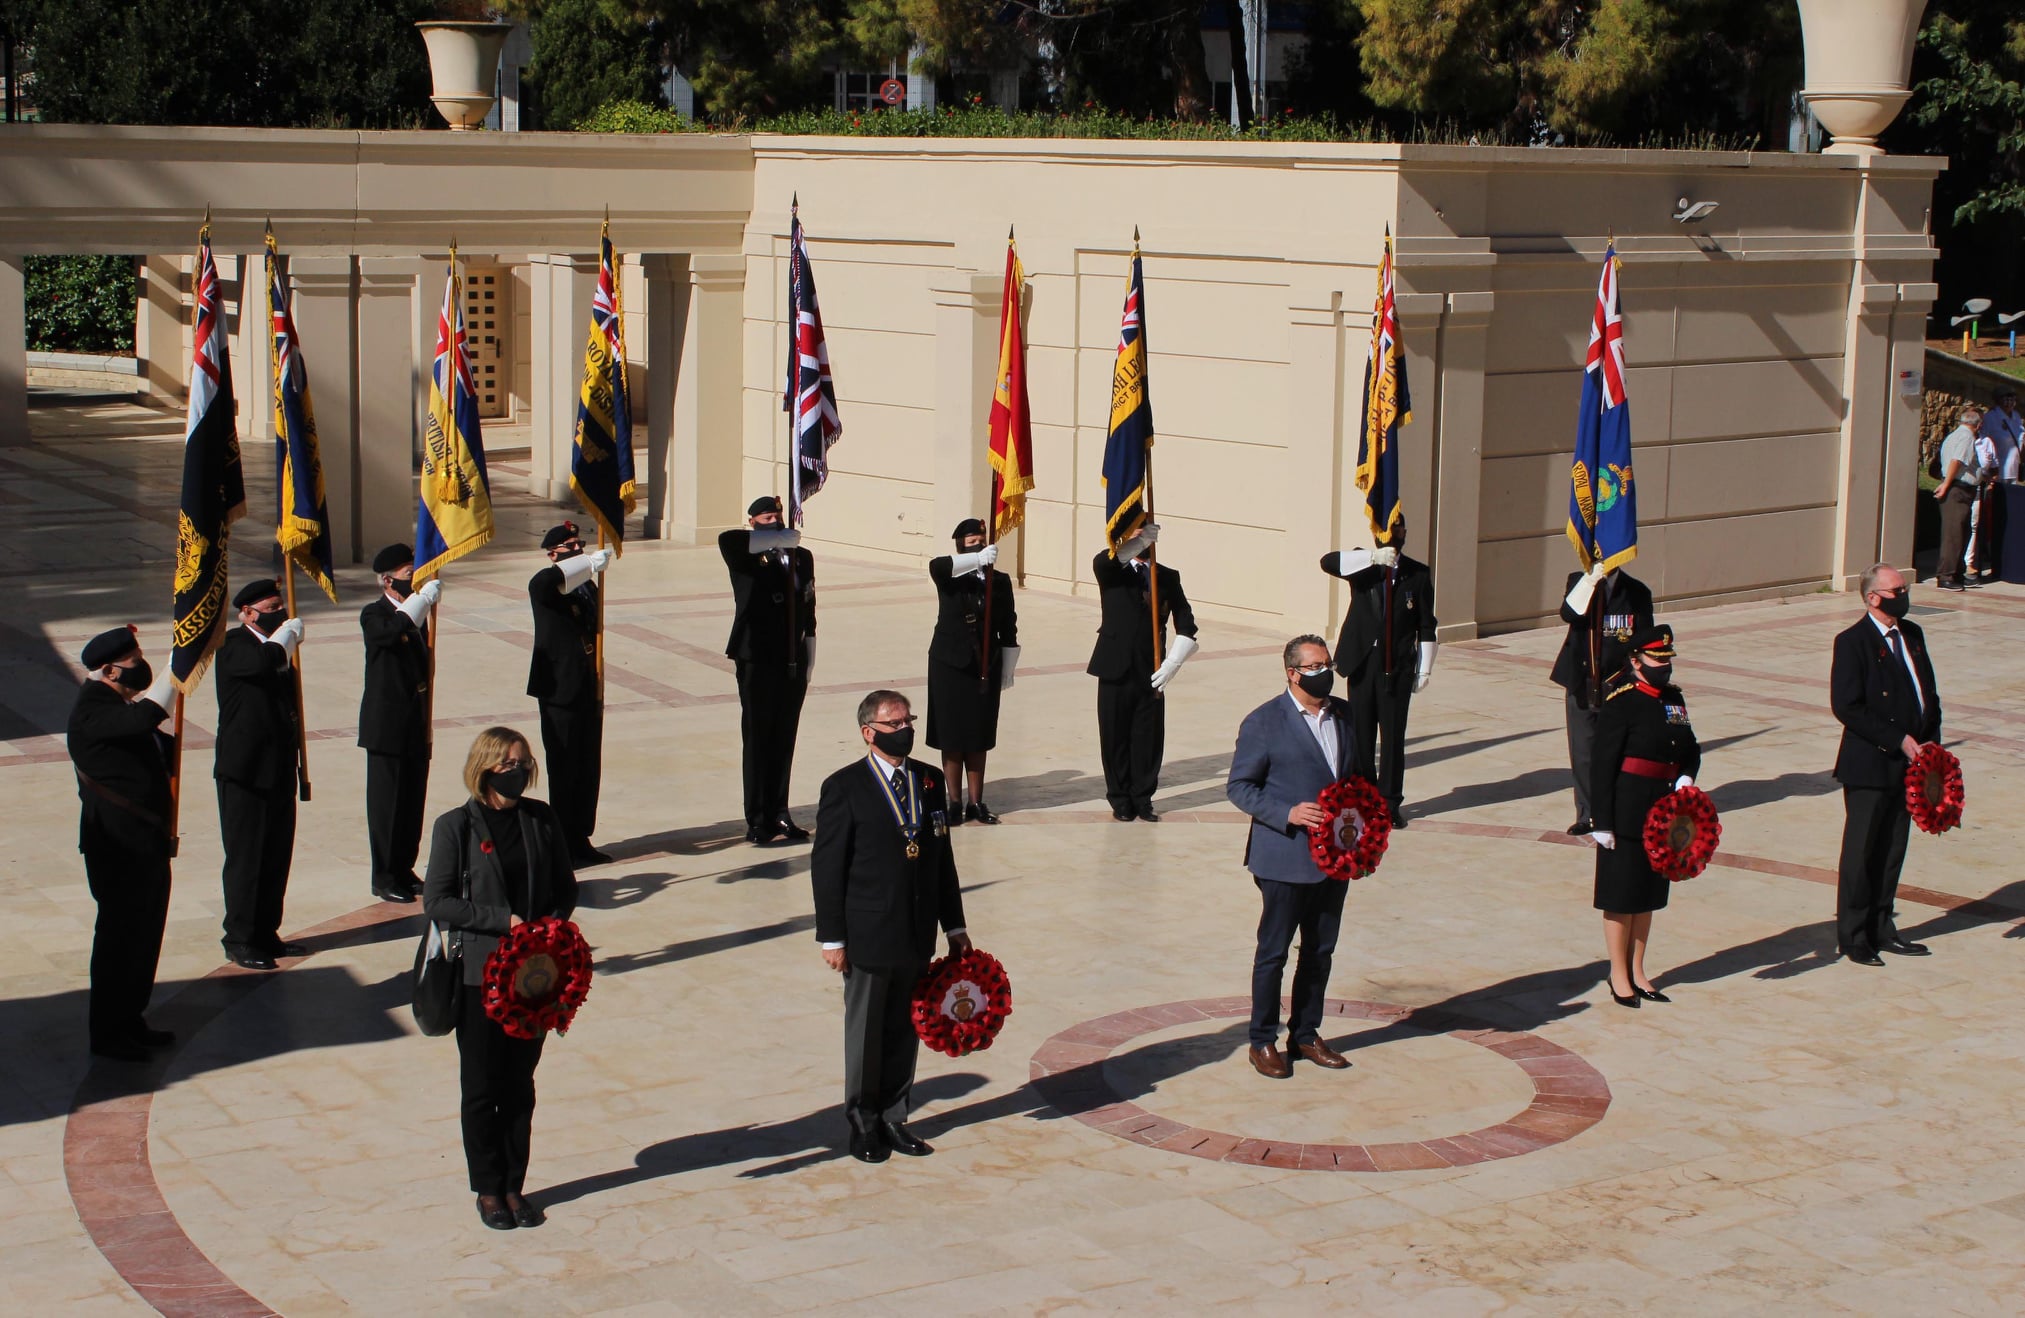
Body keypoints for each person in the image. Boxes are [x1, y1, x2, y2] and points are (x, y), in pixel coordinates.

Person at [421, 726, 578, 1231]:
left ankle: (515, 1184)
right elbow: (437, 900)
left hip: (532, 977)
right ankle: (488, 1189)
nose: (520, 771)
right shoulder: (455, 827)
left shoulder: (540, 818)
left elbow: (564, 885)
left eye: (524, 762)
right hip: (478, 978)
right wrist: (501, 921)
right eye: (510, 763)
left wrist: (548, 928)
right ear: (487, 767)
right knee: (482, 1085)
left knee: (520, 1085)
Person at [811, 691, 971, 1163]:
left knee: (906, 1028)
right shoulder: (844, 787)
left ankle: (895, 1117)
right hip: (868, 934)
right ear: (869, 732)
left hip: (916, 929)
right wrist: (832, 937)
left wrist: (955, 925)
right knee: (865, 1032)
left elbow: (942, 860)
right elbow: (827, 867)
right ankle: (862, 1123)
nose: (905, 728)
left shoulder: (929, 779)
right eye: (894, 722)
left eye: (908, 719)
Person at [1225, 636, 1357, 1080]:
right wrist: (1288, 813)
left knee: (1320, 951)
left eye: (1328, 663)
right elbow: (1240, 787)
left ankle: (1305, 1032)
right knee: (1274, 953)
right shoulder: (1263, 722)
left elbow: (1357, 781)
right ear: (1292, 673)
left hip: (1335, 858)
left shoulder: (1346, 715)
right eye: (1316, 665)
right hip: (1283, 856)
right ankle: (1262, 1039)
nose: (1326, 671)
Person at [66, 626, 180, 1061]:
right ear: (110, 669)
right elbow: (141, 721)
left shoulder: (117, 702)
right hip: (117, 847)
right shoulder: (91, 711)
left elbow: (157, 744)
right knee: (119, 940)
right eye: (134, 661)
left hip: (144, 843)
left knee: (144, 935)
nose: (141, 666)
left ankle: (132, 1018)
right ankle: (110, 1033)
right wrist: (175, 672)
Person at [1830, 564, 1941, 966]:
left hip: (1912, 764)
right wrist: (1897, 740)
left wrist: (1932, 748)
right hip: (1870, 765)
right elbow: (1847, 705)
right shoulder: (1852, 642)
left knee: (1893, 848)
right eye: (1896, 589)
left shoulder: (1912, 635)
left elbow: (1927, 691)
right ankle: (1855, 934)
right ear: (1872, 597)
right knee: (1861, 853)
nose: (1904, 594)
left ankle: (1882, 925)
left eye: (1904, 587)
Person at [1587, 625, 1700, 1008]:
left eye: (1667, 661)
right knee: (1621, 896)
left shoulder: (1673, 700)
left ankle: (1638, 970)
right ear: (1635, 662)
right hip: (1625, 809)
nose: (1663, 668)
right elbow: (1602, 765)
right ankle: (1618, 974)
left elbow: (1690, 747)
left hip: (1664, 812)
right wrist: (1600, 820)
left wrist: (1686, 775)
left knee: (1648, 896)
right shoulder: (1621, 702)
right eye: (1656, 660)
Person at [212, 579, 307, 971]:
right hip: (245, 772)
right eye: (269, 608)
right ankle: (240, 937)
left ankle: (267, 931)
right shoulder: (235, 645)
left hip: (278, 768)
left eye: (279, 605)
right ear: (246, 613)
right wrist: (284, 638)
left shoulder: (277, 647)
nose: (278, 612)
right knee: (247, 858)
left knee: (275, 855)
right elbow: (260, 663)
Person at [1320, 516, 1437, 828]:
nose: (1394, 536)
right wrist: (1373, 558)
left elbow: (1427, 625)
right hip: (1362, 662)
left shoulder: (1418, 574)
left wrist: (1424, 669)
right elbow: (1328, 562)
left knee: (1393, 737)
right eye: (1388, 530)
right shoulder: (1363, 566)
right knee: (1360, 735)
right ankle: (1363, 797)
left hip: (1396, 666)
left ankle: (1389, 802)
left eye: (1399, 530)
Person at [1087, 522, 1200, 822]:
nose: (1144, 538)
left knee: (1148, 737)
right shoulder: (1112, 571)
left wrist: (1172, 663)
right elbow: (1107, 561)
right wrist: (1135, 542)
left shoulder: (1167, 576)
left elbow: (1187, 624)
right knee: (1115, 736)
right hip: (1114, 666)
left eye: (1146, 532)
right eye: (1137, 533)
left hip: (1151, 670)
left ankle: (1143, 797)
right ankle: (1120, 798)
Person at [719, 496, 816, 844]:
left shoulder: (801, 557)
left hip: (792, 656)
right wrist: (776, 540)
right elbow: (727, 541)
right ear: (752, 520)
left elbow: (809, 604)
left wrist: (810, 651)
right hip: (756, 655)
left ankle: (780, 812)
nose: (773, 519)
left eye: (777, 515)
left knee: (784, 736)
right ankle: (757, 818)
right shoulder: (745, 553)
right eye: (765, 515)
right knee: (758, 737)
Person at [527, 522, 615, 867]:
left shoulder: (586, 587)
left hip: (587, 685)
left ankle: (581, 836)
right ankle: (562, 838)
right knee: (564, 766)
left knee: (587, 765)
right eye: (570, 546)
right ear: (553, 554)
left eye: (581, 544)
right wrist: (586, 565)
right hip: (559, 689)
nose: (578, 549)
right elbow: (544, 584)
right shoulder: (548, 584)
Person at [926, 518, 1019, 824]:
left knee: (979, 734)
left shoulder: (1000, 580)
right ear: (961, 545)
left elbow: (1008, 626)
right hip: (949, 664)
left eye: (981, 537)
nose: (978, 540)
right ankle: (954, 801)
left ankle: (976, 802)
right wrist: (975, 560)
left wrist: (1007, 668)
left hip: (985, 665)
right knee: (952, 735)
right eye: (971, 539)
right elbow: (937, 566)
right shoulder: (951, 576)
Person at [360, 544, 439, 902]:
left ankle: (404, 867)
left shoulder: (420, 616)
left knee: (411, 801)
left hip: (414, 722)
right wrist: (420, 603)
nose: (416, 579)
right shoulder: (374, 614)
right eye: (410, 573)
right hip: (386, 727)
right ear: (388, 580)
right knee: (387, 806)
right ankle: (384, 875)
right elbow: (390, 633)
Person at [1550, 561, 1653, 835]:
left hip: (1618, 684)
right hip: (1580, 681)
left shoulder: (1637, 592)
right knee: (1583, 752)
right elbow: (1569, 614)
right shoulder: (1578, 582)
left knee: (1616, 750)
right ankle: (1587, 813)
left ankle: (1616, 810)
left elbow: (1643, 641)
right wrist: (1589, 581)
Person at [1933, 404, 1982, 592]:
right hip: (1956, 489)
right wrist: (1946, 485)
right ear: (1977, 425)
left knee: (1962, 532)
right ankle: (1946, 575)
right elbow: (1957, 461)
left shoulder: (1954, 435)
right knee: (1953, 534)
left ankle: (1957, 572)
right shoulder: (1966, 437)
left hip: (1960, 489)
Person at [1979, 388, 2022, 483]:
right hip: (1998, 469)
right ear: (1999, 400)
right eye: (2007, 399)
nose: (2010, 403)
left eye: (2012, 399)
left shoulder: (2016, 416)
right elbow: (1983, 441)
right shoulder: (1991, 417)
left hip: (2014, 468)